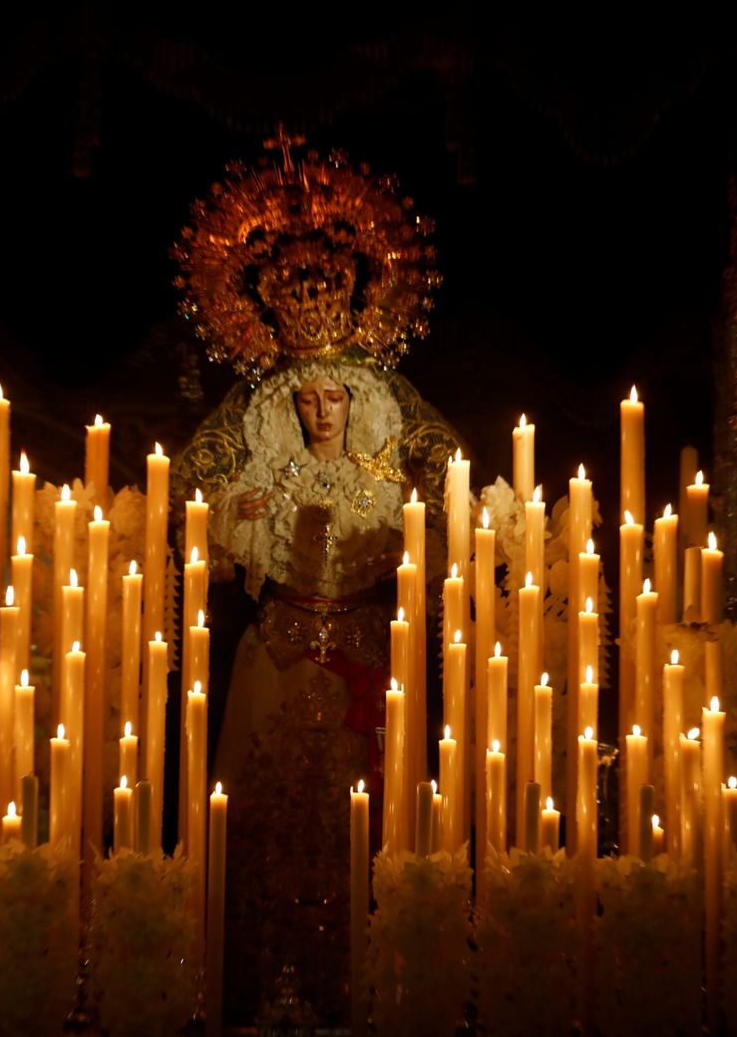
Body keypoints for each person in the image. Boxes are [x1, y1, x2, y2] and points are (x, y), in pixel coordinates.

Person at [170, 141, 455, 1023]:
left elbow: (452, 469)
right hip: (279, 647)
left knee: (370, 825)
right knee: (258, 821)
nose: (320, 408)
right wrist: (231, 503)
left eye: (335, 397)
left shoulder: (392, 415)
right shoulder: (252, 424)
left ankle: (376, 994)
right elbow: (188, 478)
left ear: (354, 399)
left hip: (369, 646)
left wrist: (428, 507)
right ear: (289, 403)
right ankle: (249, 986)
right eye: (306, 399)